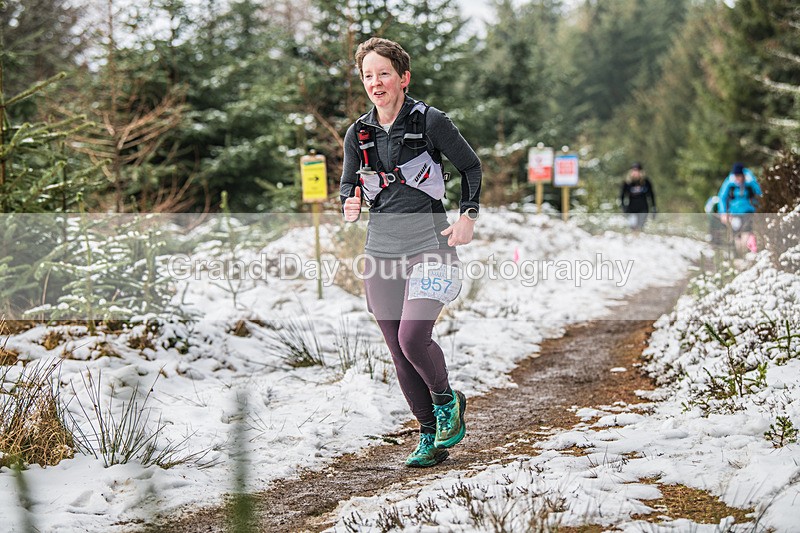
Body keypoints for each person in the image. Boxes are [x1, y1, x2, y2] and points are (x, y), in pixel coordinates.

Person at [339, 38, 482, 468]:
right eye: (368, 75)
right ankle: (428, 436)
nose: (375, 83)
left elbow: (470, 166)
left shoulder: (431, 121)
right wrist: (349, 200)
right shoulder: (358, 133)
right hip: (380, 251)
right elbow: (349, 183)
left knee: (412, 336)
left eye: (383, 73)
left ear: (403, 78)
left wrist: (467, 217)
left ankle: (446, 403)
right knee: (397, 350)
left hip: (431, 245)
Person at [717, 162, 761, 254]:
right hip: (734, 213)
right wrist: (723, 213)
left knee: (746, 233)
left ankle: (746, 253)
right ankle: (738, 254)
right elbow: (722, 197)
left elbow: (759, 194)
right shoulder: (730, 183)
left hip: (748, 212)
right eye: (736, 176)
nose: (737, 179)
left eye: (739, 176)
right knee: (736, 235)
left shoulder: (750, 182)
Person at [619, 162, 656, 231]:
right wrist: (623, 207)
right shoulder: (627, 183)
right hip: (631, 209)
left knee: (640, 227)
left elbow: (651, 195)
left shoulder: (646, 182)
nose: (635, 173)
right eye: (633, 171)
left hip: (643, 209)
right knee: (633, 227)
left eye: (637, 171)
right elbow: (622, 196)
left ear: (641, 172)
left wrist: (653, 207)